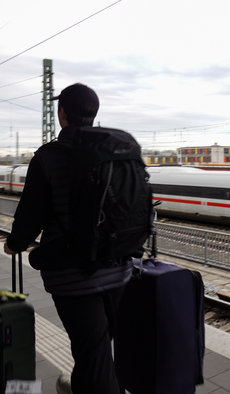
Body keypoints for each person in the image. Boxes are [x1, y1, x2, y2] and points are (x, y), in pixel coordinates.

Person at [4, 83, 133, 394]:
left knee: (93, 352)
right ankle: (81, 382)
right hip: (119, 266)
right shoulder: (119, 148)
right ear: (93, 114)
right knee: (98, 347)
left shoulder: (49, 157)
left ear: (62, 113)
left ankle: (89, 383)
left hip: (73, 275)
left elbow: (31, 215)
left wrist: (13, 245)